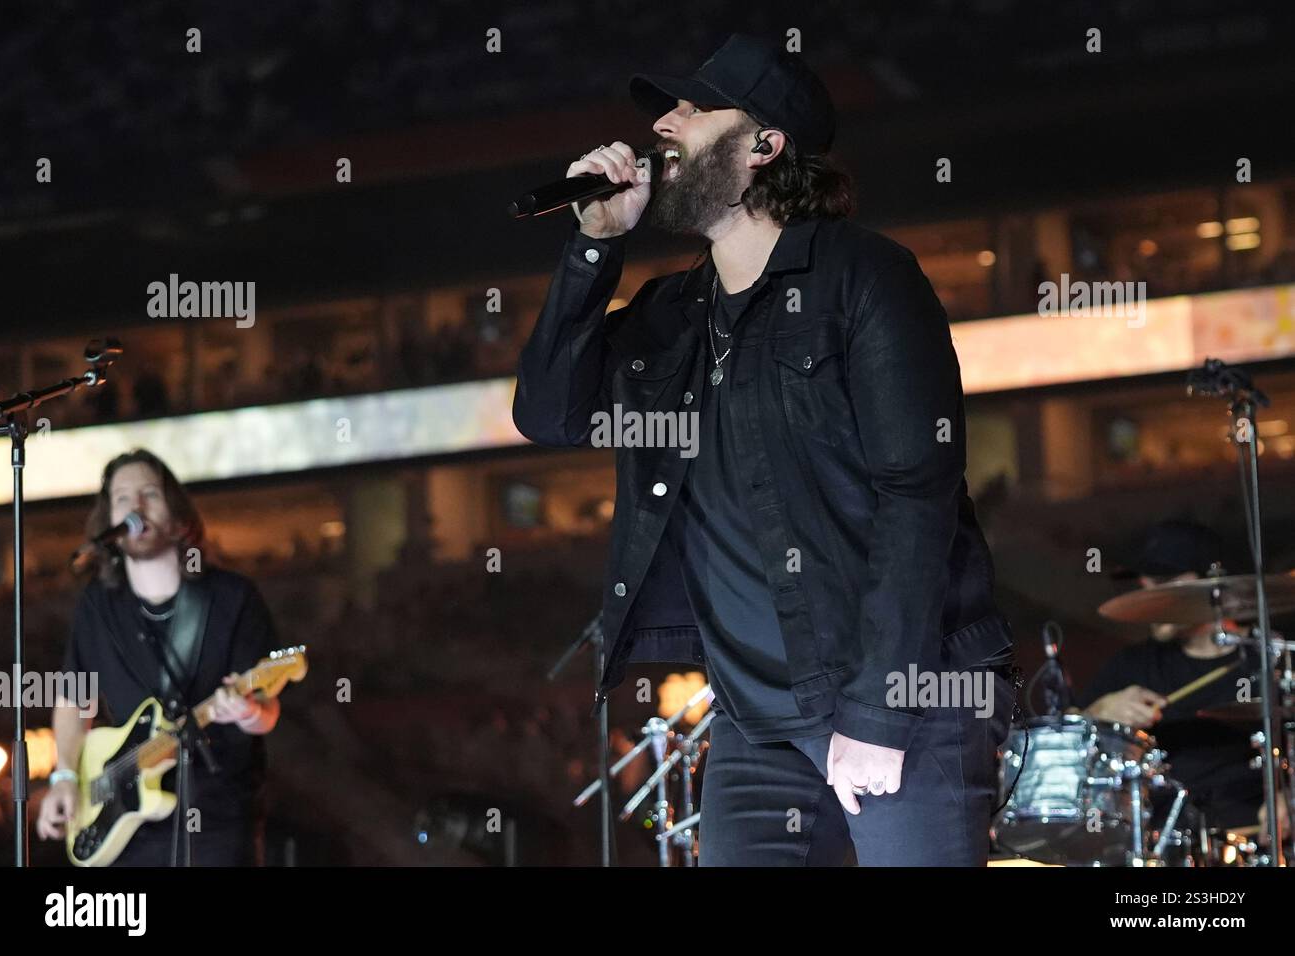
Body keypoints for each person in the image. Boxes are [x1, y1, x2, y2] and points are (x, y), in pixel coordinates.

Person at [513, 33, 1016, 866]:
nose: (665, 124)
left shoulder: (867, 280)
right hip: (754, 723)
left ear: (764, 147)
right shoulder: (672, 314)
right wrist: (597, 243)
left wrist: (879, 715)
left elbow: (915, 497)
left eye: (692, 107)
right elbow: (551, 413)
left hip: (903, 699)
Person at [36, 448, 282, 866]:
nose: (136, 507)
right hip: (127, 827)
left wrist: (245, 711)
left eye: (150, 494)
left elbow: (268, 713)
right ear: (109, 521)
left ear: (176, 511)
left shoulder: (231, 598)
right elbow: (74, 701)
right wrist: (64, 777)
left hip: (217, 819)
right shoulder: (97, 605)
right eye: (122, 498)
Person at [1079, 519, 1287, 841]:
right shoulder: (1134, 664)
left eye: (1164, 580)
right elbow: (1056, 739)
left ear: (1212, 583)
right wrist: (1096, 712)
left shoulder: (1271, 659)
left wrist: (1290, 797)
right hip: (1158, 840)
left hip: (1252, 839)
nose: (1147, 592)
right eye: (1142, 581)